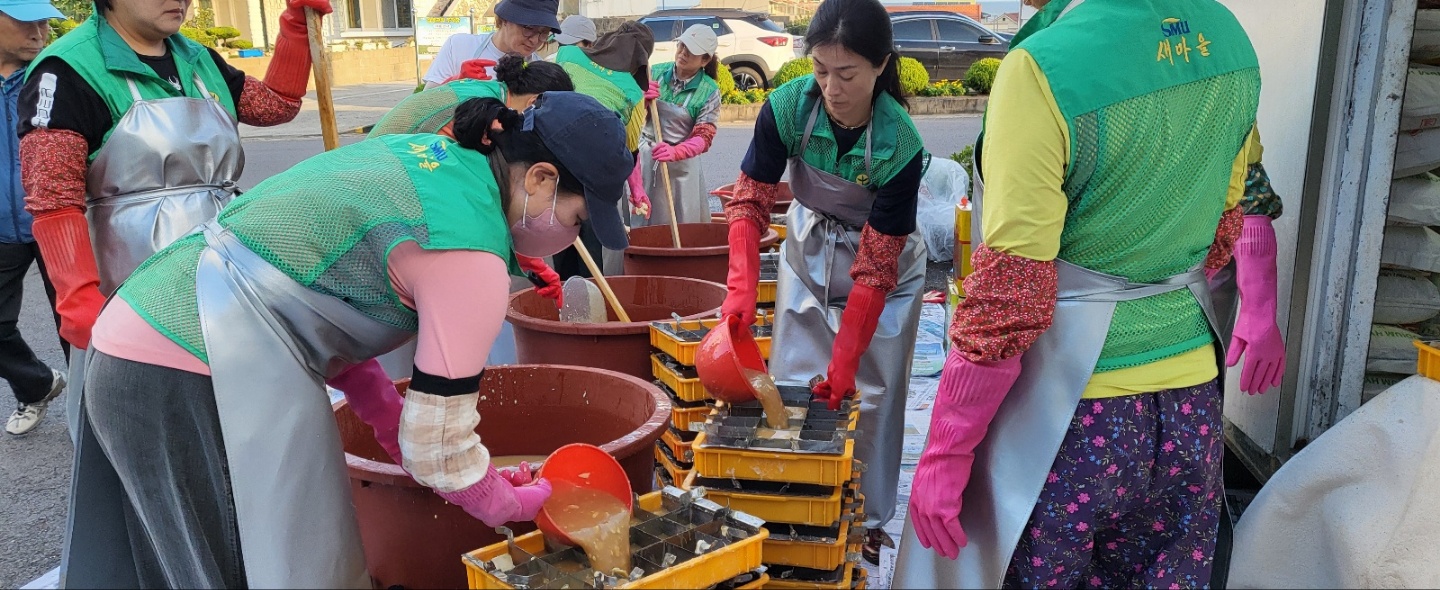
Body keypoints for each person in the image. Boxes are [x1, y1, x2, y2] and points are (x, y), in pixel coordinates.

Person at [68, 91, 632, 588]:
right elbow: (439, 446)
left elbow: (317, 305)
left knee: (165, 561)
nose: (572, 235)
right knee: (235, 564)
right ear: (541, 180)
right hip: (190, 365)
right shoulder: (469, 253)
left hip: (138, 335)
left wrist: (392, 425)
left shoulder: (429, 161)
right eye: (580, 219)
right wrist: (501, 500)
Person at [893, 0, 1263, 587]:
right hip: (1192, 401)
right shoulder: (1228, 39)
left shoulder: (1044, 68)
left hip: (1071, 414)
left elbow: (1011, 290)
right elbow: (1225, 225)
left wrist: (946, 451)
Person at [18, 0, 329, 442]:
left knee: (241, 414)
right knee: (162, 428)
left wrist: (296, 27)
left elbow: (274, 106)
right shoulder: (67, 70)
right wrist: (79, 297)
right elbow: (53, 199)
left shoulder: (197, 58)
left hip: (222, 266)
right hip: (135, 281)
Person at [718, 0, 928, 564]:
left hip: (884, 269)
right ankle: (801, 500)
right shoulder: (787, 107)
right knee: (793, 377)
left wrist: (844, 364)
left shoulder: (900, 145)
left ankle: (868, 515)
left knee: (870, 391)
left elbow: (876, 268)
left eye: (848, 74)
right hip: (810, 248)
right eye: (820, 70)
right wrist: (739, 287)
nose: (831, 88)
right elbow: (751, 200)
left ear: (881, 66)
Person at [0, 0, 67, 435]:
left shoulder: (59, 76)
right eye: (25, 20)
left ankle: (96, 411)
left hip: (61, 221)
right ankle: (36, 385)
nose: (39, 29)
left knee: (80, 328)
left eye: (44, 20)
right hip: (3, 231)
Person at [548, 20, 656, 278]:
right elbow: (629, 150)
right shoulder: (632, 91)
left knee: (561, 240)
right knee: (593, 251)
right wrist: (636, 189)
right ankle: (590, 302)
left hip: (553, 161)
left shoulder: (569, 53)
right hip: (597, 177)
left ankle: (562, 305)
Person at [632, 24, 721, 229]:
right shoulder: (655, 72)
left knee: (683, 224)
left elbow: (704, 136)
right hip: (649, 156)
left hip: (682, 167)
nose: (683, 53)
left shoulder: (709, 90)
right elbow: (632, 117)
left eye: (692, 51)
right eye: (682, 45)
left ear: (705, 60)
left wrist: (676, 151)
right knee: (645, 222)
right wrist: (641, 101)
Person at [422, 0, 558, 88]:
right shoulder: (459, 46)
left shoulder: (540, 71)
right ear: (505, 19)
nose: (535, 40)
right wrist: (458, 81)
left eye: (543, 32)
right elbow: (426, 102)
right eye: (529, 28)